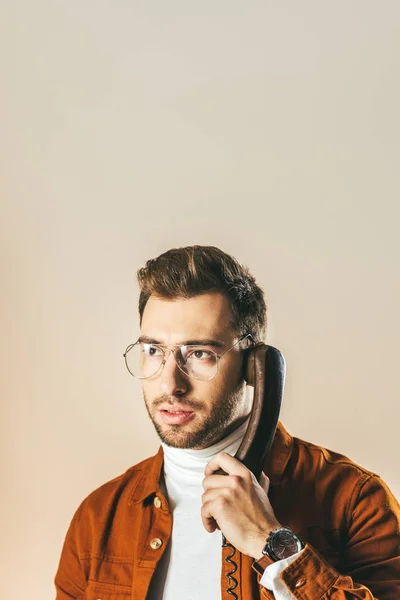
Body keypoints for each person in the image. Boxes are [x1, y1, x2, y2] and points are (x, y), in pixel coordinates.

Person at [55, 245, 400, 600]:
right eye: (153, 351)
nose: (170, 383)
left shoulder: (355, 500)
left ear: (255, 366)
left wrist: (270, 540)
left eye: (200, 354)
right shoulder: (99, 518)